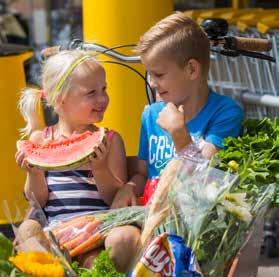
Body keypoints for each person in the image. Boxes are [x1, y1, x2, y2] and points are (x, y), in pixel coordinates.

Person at [15, 50, 140, 272]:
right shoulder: (40, 140)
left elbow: (115, 199)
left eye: (104, 89)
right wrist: (33, 173)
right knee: (27, 231)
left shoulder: (110, 140)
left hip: (97, 233)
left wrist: (100, 168)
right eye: (91, 92)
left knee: (103, 255)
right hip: (55, 234)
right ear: (61, 99)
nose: (102, 99)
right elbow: (38, 201)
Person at [112, 12, 244, 207]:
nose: (152, 83)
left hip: (194, 218)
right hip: (152, 212)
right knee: (119, 238)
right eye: (149, 75)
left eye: (159, 74)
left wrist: (178, 133)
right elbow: (143, 171)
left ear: (191, 69)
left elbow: (204, 178)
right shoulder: (151, 114)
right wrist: (130, 187)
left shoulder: (226, 113)